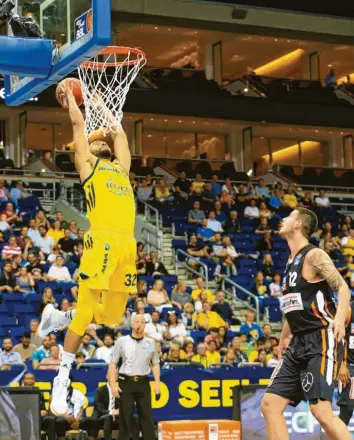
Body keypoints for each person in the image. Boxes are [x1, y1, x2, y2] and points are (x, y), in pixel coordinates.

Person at [38, 85, 138, 415]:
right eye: (95, 140)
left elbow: (119, 133)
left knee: (110, 317)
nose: (100, 139)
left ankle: (56, 317)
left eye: (101, 139)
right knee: (84, 313)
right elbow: (79, 127)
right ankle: (62, 380)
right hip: (103, 239)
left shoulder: (121, 169)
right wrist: (71, 102)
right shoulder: (87, 165)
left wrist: (101, 104)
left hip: (126, 244)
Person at [261, 207, 351, 440]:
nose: (283, 219)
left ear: (299, 224)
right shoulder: (291, 261)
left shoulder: (314, 256)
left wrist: (339, 318)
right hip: (298, 341)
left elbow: (342, 288)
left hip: (320, 336)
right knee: (270, 405)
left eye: (289, 217)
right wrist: (283, 337)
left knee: (320, 410)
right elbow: (294, 304)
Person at [108, 314, 160, 440]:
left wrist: (157, 383)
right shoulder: (121, 341)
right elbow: (112, 363)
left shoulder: (151, 342)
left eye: (142, 322)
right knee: (125, 417)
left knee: (147, 417)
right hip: (126, 382)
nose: (139, 324)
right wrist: (113, 385)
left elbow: (155, 363)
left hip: (143, 382)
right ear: (131, 324)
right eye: (136, 321)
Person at [22, 372, 56, 440]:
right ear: (23, 381)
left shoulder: (39, 392)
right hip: (25, 419)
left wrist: (44, 411)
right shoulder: (19, 393)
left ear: (34, 381)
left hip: (38, 419)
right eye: (27, 379)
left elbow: (43, 410)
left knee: (50, 419)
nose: (30, 381)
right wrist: (36, 413)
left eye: (32, 379)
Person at [337, 300, 354, 425]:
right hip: (349, 365)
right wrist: (342, 364)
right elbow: (340, 338)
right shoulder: (348, 309)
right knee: (347, 409)